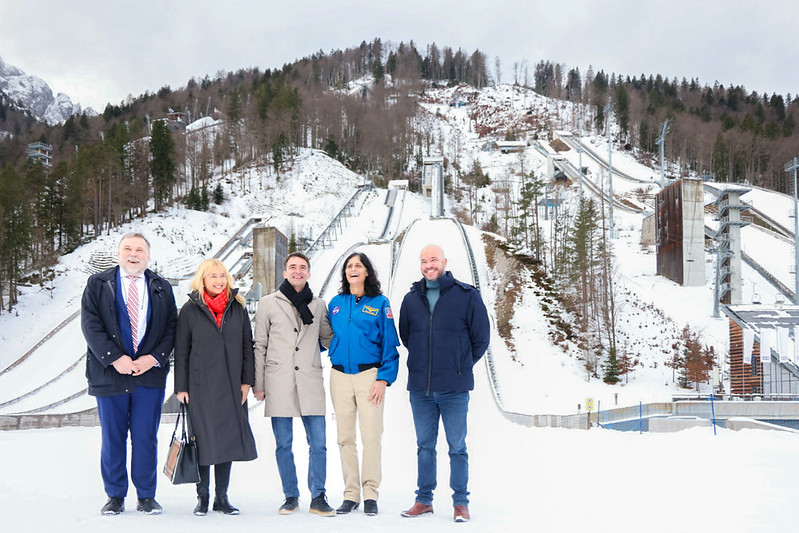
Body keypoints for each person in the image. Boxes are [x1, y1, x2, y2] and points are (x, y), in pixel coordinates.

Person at [81, 232, 177, 516]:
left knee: (146, 438)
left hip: (149, 376)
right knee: (113, 438)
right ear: (119, 253)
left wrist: (154, 358)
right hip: (110, 374)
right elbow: (90, 325)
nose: (133, 254)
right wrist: (115, 359)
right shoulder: (98, 284)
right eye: (128, 249)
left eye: (139, 250)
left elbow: (171, 326)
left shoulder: (161, 286)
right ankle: (115, 496)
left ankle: (146, 495)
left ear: (148, 255)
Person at [398, 244, 490, 523]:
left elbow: (481, 338)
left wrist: (460, 365)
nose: (429, 265)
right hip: (420, 389)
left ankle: (460, 503)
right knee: (424, 446)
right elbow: (406, 336)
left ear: (444, 262)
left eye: (433, 259)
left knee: (457, 447)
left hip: (454, 389)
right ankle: (424, 500)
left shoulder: (467, 296)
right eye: (424, 261)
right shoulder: (411, 299)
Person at [253, 252, 336, 517]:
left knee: (319, 444)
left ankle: (318, 496)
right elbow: (260, 345)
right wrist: (258, 383)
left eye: (302, 267)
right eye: (292, 267)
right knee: (283, 444)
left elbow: (328, 339)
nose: (297, 271)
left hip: (310, 379)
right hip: (278, 380)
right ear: (285, 272)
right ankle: (290, 496)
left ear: (309, 273)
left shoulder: (319, 305)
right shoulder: (268, 303)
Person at [174, 258, 257, 516]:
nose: (219, 281)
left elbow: (247, 347)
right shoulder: (190, 310)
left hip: (232, 386)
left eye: (222, 276)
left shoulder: (238, 308)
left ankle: (222, 498)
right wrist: (181, 387)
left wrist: (247, 381)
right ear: (202, 279)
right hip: (201, 387)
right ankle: (203, 498)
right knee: (202, 441)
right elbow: (181, 351)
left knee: (227, 441)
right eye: (213, 276)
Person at [327, 252, 399, 517]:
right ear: (345, 273)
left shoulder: (380, 303)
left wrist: (383, 378)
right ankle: (351, 494)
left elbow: (390, 344)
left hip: (369, 376)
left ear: (367, 271)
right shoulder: (335, 303)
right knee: (344, 438)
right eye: (349, 266)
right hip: (339, 377)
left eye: (358, 265)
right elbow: (325, 336)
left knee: (371, 436)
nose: (353, 269)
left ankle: (370, 493)